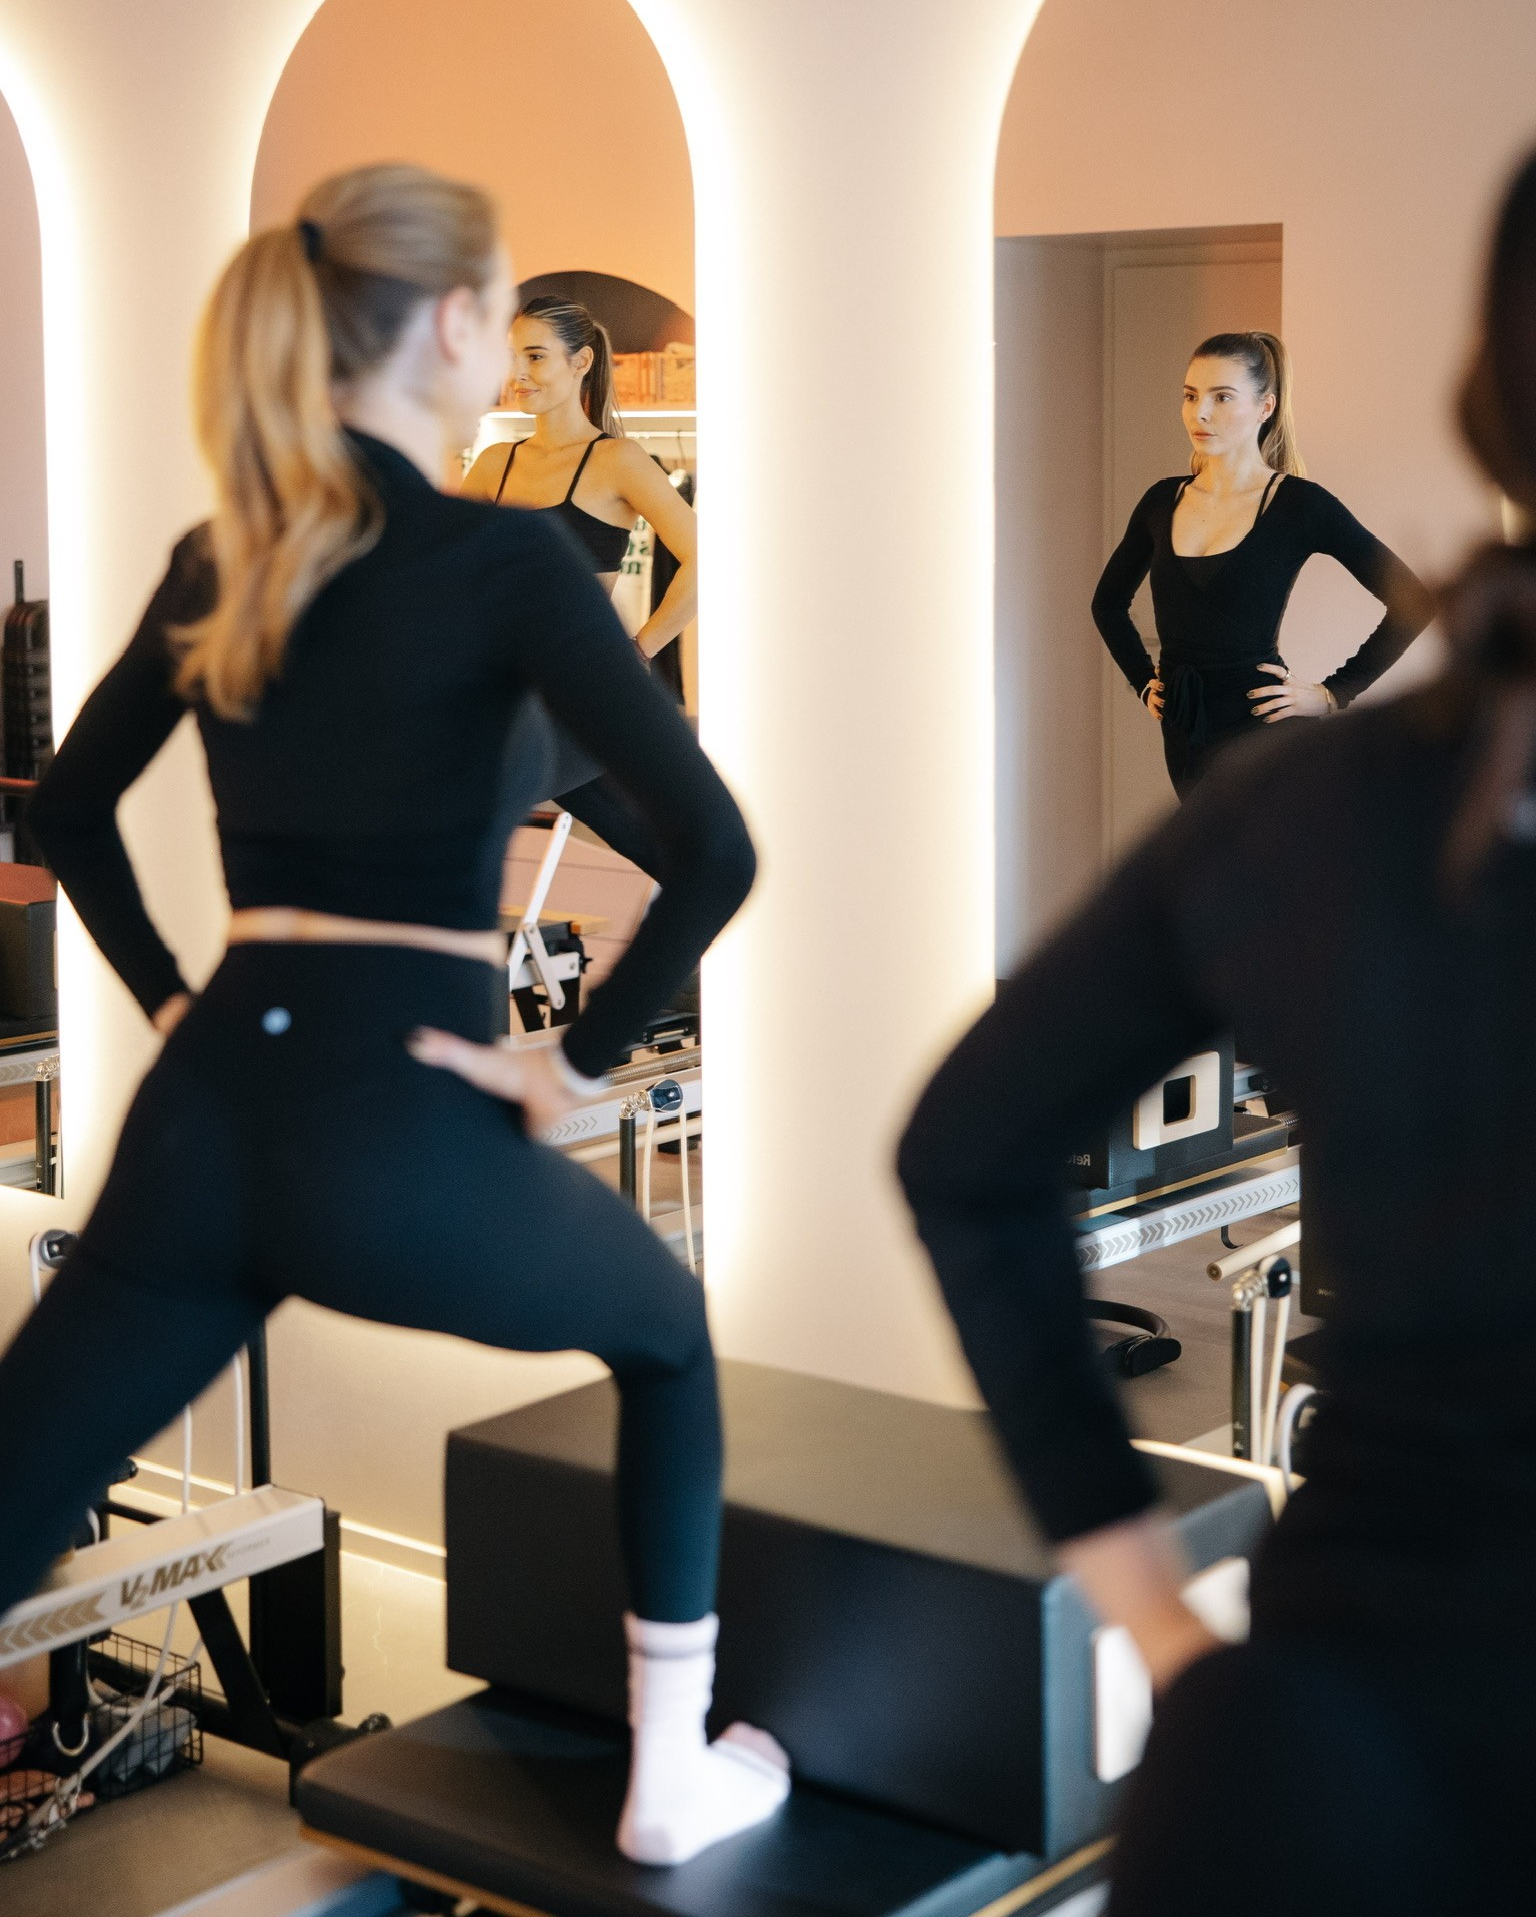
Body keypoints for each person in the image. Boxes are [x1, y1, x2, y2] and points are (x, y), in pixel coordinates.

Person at [0, 164, 788, 1867]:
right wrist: (572, 1061)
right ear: (448, 327)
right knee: (667, 1334)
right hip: (397, 1114)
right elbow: (715, 850)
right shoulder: (505, 558)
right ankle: (668, 1780)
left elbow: (63, 810)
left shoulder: (229, 551)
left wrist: (174, 998)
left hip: (211, 1110)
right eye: (497, 311)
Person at [897, 159, 1536, 1911]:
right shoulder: (1299, 807)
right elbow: (1119, 610)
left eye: (1219, 389)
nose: (1198, 410)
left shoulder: (1314, 809)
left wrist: (1156, 1616)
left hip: (1341, 1726)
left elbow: (962, 1149)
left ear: (1484, 404)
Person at [1092, 331, 1432, 794]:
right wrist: (1142, 680)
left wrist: (1333, 694)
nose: (1200, 412)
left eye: (1222, 397)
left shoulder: (1301, 505)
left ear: (1265, 407)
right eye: (1191, 396)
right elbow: (1107, 604)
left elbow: (1415, 602)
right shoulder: (1160, 501)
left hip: (1263, 733)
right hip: (1184, 736)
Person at [463, 295, 697, 881]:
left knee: (461, 810)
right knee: (671, 857)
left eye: (536, 356)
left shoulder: (617, 461)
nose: (518, 374)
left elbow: (705, 559)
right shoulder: (493, 463)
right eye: (512, 357)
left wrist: (640, 649)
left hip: (577, 697)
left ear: (581, 362)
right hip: (501, 696)